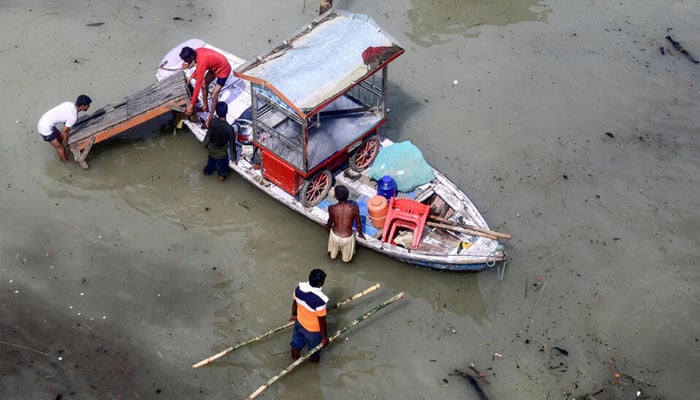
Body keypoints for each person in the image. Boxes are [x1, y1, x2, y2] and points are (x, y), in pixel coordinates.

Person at [179, 46, 232, 127]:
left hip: (223, 69)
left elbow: (197, 85)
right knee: (204, 84)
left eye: (187, 60)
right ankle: (205, 107)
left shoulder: (202, 60)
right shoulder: (196, 52)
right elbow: (199, 68)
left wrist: (191, 105)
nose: (186, 62)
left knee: (214, 96)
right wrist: (192, 76)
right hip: (214, 67)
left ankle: (209, 119)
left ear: (191, 57)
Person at [290, 268, 329, 363]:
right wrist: (324, 337)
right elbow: (322, 321)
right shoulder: (320, 300)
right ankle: (314, 365)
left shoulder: (298, 289)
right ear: (320, 283)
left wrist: (294, 315)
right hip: (313, 331)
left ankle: (294, 359)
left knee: (296, 345)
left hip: (299, 323)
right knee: (314, 351)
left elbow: (295, 303)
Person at [37, 95, 92, 161]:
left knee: (60, 139)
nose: (89, 106)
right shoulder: (73, 117)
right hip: (45, 129)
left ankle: (59, 147)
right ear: (83, 106)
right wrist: (67, 144)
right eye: (88, 105)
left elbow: (64, 118)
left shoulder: (69, 104)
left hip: (44, 120)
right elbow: (64, 133)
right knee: (61, 148)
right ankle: (65, 162)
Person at [325, 185, 365, 262]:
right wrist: (361, 234)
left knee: (331, 256)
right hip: (347, 238)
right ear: (347, 196)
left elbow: (330, 221)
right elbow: (358, 225)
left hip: (335, 236)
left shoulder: (331, 208)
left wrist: (327, 227)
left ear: (336, 197)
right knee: (346, 260)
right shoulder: (354, 208)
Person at [202, 101, 235, 182]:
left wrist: (204, 145)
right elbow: (232, 146)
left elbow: (208, 136)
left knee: (208, 169)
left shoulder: (212, 122)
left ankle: (207, 174)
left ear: (216, 111)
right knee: (222, 173)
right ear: (226, 112)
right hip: (221, 156)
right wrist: (234, 159)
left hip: (211, 151)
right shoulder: (229, 129)